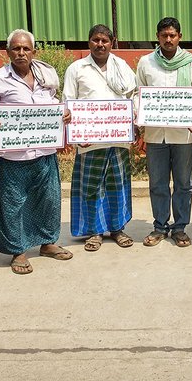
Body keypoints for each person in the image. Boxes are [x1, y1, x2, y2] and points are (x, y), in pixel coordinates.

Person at [0, 30, 73, 274]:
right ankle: (18, 251)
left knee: (48, 200)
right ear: (8, 51)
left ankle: (47, 243)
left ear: (34, 51)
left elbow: (55, 104)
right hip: (13, 154)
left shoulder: (46, 76)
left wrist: (64, 114)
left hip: (44, 150)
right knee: (13, 204)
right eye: (16, 49)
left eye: (26, 49)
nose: (21, 53)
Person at [62, 24, 137, 252]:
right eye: (96, 40)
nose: (100, 44)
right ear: (89, 42)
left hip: (118, 140)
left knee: (117, 184)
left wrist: (131, 123)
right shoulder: (77, 69)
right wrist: (75, 136)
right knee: (91, 186)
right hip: (89, 141)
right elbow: (67, 104)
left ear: (112, 42)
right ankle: (94, 232)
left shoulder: (122, 67)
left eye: (105, 40)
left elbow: (133, 98)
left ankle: (117, 229)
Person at [136, 17, 192, 247]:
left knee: (184, 183)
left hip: (183, 135)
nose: (168, 39)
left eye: (172, 35)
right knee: (157, 182)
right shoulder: (146, 63)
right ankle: (159, 227)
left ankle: (179, 228)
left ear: (180, 37)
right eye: (164, 35)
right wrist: (139, 116)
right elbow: (138, 95)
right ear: (157, 37)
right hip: (156, 134)